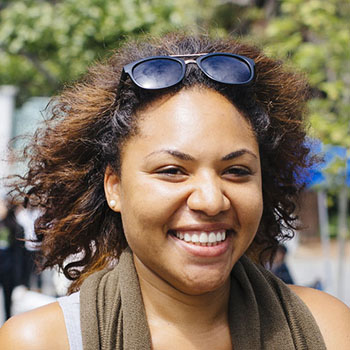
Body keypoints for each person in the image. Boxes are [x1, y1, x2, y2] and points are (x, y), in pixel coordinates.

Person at [0, 33, 349, 349]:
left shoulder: (325, 329)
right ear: (114, 186)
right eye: (172, 171)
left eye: (237, 171)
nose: (211, 200)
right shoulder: (42, 342)